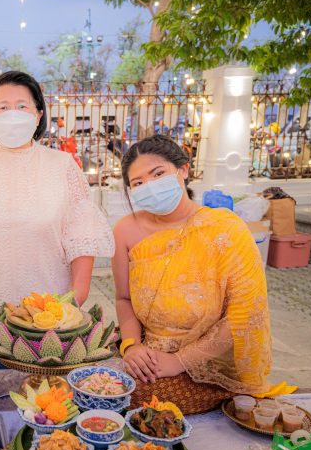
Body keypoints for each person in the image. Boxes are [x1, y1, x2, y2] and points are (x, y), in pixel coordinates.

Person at [0, 70, 114, 387]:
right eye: (2, 107)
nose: (13, 114)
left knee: (44, 404)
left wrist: (70, 306)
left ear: (38, 115)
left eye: (22, 106)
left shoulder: (62, 166)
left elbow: (82, 239)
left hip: (47, 324)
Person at [112, 135, 286, 414]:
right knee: (92, 384)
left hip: (206, 364)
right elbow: (124, 298)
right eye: (138, 183)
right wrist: (131, 347)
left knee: (129, 402)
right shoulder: (125, 230)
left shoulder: (226, 230)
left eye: (158, 174)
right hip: (146, 351)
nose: (150, 186)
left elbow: (245, 315)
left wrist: (178, 362)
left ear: (183, 170)